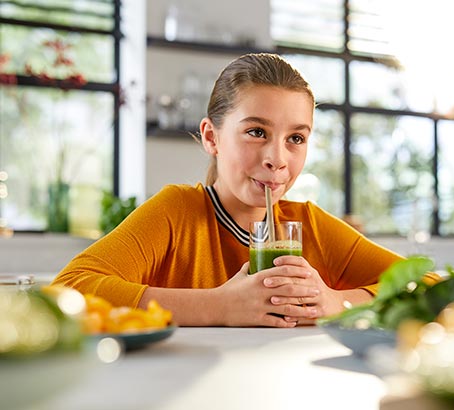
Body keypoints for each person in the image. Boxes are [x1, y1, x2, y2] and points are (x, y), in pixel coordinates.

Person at [52, 53, 434, 327]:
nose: (277, 158)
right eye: (256, 132)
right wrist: (219, 306)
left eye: (296, 138)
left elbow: (433, 285)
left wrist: (337, 301)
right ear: (211, 137)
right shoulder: (177, 212)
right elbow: (70, 288)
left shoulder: (309, 224)